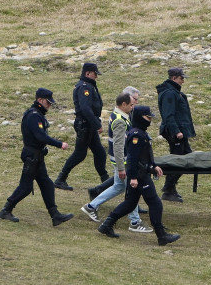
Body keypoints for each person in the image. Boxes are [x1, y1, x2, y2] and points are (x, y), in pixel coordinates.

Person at [96, 105, 181, 246]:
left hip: (141, 173)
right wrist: (134, 177)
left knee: (129, 203)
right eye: (147, 117)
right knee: (155, 203)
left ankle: (107, 225)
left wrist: (153, 166)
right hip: (140, 176)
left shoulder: (140, 133)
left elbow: (144, 156)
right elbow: (132, 159)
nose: (150, 120)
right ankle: (161, 235)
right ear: (139, 117)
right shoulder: (136, 135)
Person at [0, 88, 74, 226]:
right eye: (48, 102)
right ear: (40, 100)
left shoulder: (37, 114)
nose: (49, 105)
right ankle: (6, 210)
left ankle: (55, 215)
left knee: (47, 185)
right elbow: (40, 136)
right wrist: (59, 144)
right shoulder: (33, 115)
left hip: (37, 156)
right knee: (26, 187)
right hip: (32, 156)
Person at [81, 91, 151, 233]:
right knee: (131, 191)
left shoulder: (117, 115)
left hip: (118, 161)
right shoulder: (120, 121)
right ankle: (135, 221)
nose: (133, 107)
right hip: (123, 162)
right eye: (131, 105)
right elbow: (119, 146)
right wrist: (121, 168)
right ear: (123, 104)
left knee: (118, 187)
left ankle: (91, 206)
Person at [55, 62, 107, 190]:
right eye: (95, 74)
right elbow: (85, 108)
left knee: (99, 152)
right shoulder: (85, 87)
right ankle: (60, 179)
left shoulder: (88, 86)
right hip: (85, 124)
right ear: (88, 73)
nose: (96, 77)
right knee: (80, 154)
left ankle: (106, 181)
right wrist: (96, 124)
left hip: (88, 124)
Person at [156, 67, 194, 203]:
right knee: (179, 161)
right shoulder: (169, 94)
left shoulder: (174, 93)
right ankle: (168, 189)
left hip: (180, 132)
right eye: (181, 78)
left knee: (186, 158)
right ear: (174, 78)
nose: (183, 81)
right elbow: (168, 115)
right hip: (175, 133)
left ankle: (169, 188)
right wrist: (176, 131)